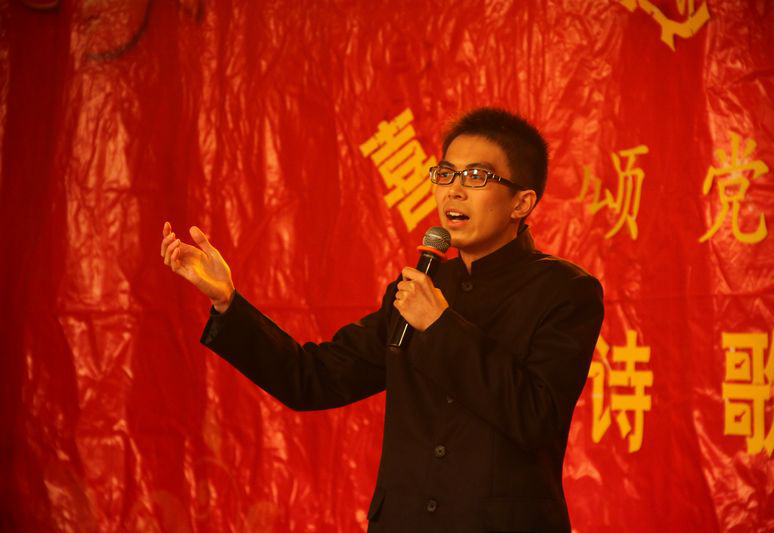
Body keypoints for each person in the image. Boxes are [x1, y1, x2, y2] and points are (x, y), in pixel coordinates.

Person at [160, 108, 604, 532]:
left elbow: (537, 417)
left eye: (476, 177)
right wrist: (228, 303)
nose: (454, 191)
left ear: (521, 202)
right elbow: (311, 379)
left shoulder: (566, 291)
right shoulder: (419, 287)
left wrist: (441, 327)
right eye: (446, 174)